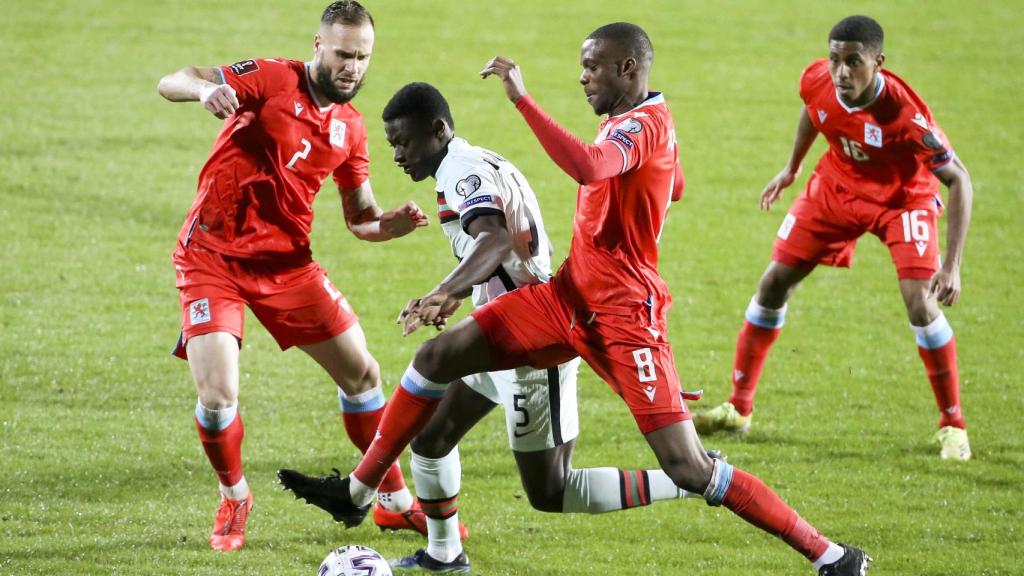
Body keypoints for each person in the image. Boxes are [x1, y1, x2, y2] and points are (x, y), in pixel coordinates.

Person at [278, 23, 870, 575]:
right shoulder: (631, 122)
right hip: (565, 296)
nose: (583, 77)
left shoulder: (642, 127)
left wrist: (520, 98)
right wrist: (658, 188)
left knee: (686, 467)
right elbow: (672, 182)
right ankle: (361, 494)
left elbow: (589, 169)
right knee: (435, 359)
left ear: (629, 68)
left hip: (624, 314)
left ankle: (830, 556)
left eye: (593, 68)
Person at [288, 81, 704, 572]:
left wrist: (446, 290)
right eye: (392, 144)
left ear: (438, 130)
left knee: (551, 490)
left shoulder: (463, 173)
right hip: (496, 331)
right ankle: (443, 553)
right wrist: (461, 293)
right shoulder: (469, 161)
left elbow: (496, 242)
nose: (398, 155)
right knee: (432, 438)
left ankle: (689, 477)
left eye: (405, 142)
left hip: (531, 341)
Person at [156, 1, 434, 551]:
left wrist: (392, 226)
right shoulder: (272, 78)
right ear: (318, 46)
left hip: (288, 266)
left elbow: (361, 219)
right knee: (217, 397)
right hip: (213, 259)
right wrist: (204, 92)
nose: (352, 66)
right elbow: (175, 79)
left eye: (362, 57)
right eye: (343, 54)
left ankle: (393, 503)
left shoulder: (352, 129)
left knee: (363, 376)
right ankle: (235, 496)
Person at [693, 15, 974, 462]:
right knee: (772, 283)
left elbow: (959, 180)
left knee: (921, 303)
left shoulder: (908, 118)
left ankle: (953, 426)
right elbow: (814, 108)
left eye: (853, 62)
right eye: (835, 60)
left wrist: (952, 265)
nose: (841, 73)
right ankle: (738, 408)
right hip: (837, 188)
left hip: (903, 201)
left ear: (878, 62)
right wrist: (792, 167)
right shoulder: (819, 80)